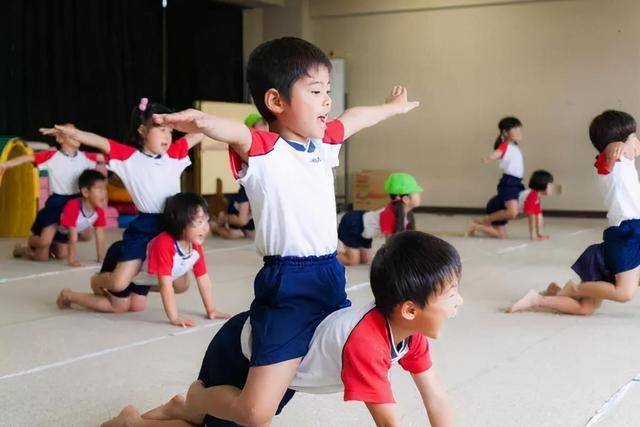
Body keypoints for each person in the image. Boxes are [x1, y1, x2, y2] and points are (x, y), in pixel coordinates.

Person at [149, 36, 420, 425]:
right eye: (315, 91)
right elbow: (236, 133)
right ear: (276, 102)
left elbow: (355, 117)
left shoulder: (323, 144)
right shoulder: (265, 152)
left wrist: (391, 109)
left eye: (328, 91)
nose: (327, 100)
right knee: (257, 414)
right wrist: (204, 122)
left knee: (297, 379)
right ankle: (195, 400)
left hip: (329, 275)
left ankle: (170, 414)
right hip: (288, 283)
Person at [101, 231, 461, 427]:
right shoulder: (367, 343)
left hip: (285, 372)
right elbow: (387, 423)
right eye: (451, 294)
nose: (459, 302)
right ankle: (142, 418)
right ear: (410, 309)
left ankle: (186, 407)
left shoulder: (408, 336)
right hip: (243, 354)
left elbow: (437, 398)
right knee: (250, 418)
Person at [40, 98, 204, 295]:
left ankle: (138, 281)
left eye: (170, 131)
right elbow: (99, 141)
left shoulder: (174, 153)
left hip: (172, 224)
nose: (167, 136)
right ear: (142, 131)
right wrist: (74, 133)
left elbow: (201, 132)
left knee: (181, 286)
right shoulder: (128, 157)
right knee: (118, 284)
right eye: (161, 130)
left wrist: (181, 121)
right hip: (145, 226)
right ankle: (97, 280)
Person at [557, 110, 640, 304]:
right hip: (625, 230)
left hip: (635, 227)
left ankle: (568, 290)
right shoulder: (609, 164)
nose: (636, 141)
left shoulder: (627, 162)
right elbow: (608, 156)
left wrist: (627, 143)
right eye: (633, 137)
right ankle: (574, 289)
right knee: (624, 293)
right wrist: (615, 145)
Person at [3, 123, 105, 260]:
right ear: (60, 139)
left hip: (76, 201)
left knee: (69, 249)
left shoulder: (86, 157)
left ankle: (54, 243)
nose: (77, 136)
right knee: (43, 251)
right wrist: (5, 165)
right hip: (58, 203)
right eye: (71, 134)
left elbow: (108, 154)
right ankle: (27, 246)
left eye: (77, 133)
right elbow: (28, 158)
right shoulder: (52, 156)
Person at [337, 172, 422, 265]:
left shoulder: (406, 214)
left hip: (365, 232)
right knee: (353, 261)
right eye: (416, 193)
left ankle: (351, 251)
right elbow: (390, 244)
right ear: (406, 199)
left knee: (365, 260)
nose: (419, 195)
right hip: (353, 224)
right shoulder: (390, 215)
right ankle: (333, 255)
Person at [468, 170, 554, 240]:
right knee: (502, 235)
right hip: (497, 207)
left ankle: (478, 225)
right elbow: (532, 218)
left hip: (503, 210)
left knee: (502, 236)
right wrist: (534, 235)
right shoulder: (532, 196)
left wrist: (539, 234)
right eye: (551, 185)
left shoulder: (536, 197)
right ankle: (477, 225)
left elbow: (538, 217)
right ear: (544, 185)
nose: (552, 188)